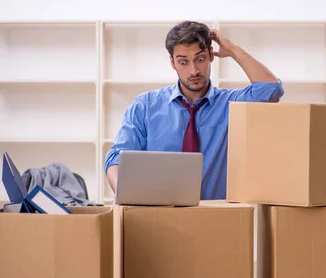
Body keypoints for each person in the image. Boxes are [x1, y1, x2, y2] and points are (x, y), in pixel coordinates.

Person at [104, 21, 284, 200]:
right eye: (183, 62)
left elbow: (272, 89)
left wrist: (233, 50)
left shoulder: (231, 104)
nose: (194, 70)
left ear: (211, 56)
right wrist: (126, 196)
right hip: (159, 216)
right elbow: (115, 158)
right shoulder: (145, 106)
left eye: (200, 59)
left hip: (215, 217)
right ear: (172, 63)